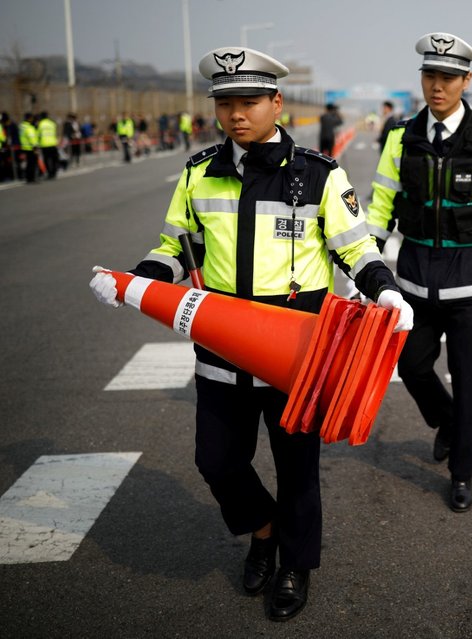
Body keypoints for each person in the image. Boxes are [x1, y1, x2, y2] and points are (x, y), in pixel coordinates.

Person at [88, 46, 413, 622]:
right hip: (220, 349)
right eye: (226, 103)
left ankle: (295, 564)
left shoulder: (318, 173)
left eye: (250, 101)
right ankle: (263, 531)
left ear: (276, 103)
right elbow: (172, 249)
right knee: (217, 461)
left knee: (298, 469)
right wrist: (134, 283)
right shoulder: (197, 172)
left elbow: (355, 247)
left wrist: (383, 287)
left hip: (296, 353)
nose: (237, 114)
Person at [366, 32, 472, 513]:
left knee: (468, 375)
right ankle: (448, 422)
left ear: (465, 81)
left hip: (471, 282)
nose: (436, 87)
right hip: (414, 280)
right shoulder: (401, 137)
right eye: (429, 76)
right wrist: (366, 274)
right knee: (411, 364)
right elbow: (379, 210)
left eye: (447, 77)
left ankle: (462, 475)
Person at [37, 112, 60, 179]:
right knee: (54, 159)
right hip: (53, 144)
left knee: (46, 160)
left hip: (44, 145)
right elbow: (55, 133)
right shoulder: (52, 123)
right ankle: (54, 172)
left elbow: (38, 134)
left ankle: (49, 173)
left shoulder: (40, 124)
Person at [19, 113, 39, 184]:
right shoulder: (29, 127)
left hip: (24, 147)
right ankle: (32, 179)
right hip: (31, 148)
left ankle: (28, 178)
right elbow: (32, 137)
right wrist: (35, 146)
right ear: (29, 118)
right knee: (32, 164)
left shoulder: (22, 126)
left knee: (28, 164)